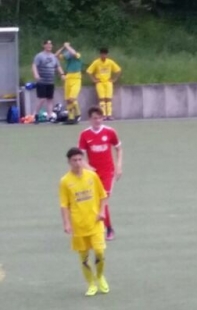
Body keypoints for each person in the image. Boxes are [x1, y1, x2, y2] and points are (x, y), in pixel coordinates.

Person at [60, 147, 109, 296]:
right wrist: (67, 223)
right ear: (69, 162)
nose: (78, 163)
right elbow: (64, 205)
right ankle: (91, 283)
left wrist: (101, 212)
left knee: (99, 252)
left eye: (80, 159)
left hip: (95, 222)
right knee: (84, 258)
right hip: (79, 225)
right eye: (74, 160)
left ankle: (100, 276)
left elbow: (103, 195)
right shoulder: (65, 181)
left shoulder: (92, 176)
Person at [78, 107, 123, 239]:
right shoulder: (85, 135)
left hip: (108, 172)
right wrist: (89, 168)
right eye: (94, 118)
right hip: (93, 174)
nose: (97, 120)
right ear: (89, 119)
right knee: (96, 201)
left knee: (103, 199)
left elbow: (119, 149)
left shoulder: (110, 132)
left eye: (99, 118)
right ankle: (99, 227)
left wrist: (119, 166)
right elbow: (80, 157)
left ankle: (109, 229)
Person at [32, 39, 64, 120]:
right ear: (44, 46)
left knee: (50, 99)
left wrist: (62, 74)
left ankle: (49, 116)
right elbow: (34, 65)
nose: (49, 46)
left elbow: (58, 66)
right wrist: (36, 74)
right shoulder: (39, 56)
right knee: (42, 99)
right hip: (42, 81)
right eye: (47, 44)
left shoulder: (54, 57)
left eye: (50, 44)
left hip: (50, 81)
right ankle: (34, 114)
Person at [86, 48, 122, 120]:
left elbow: (118, 70)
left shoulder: (110, 62)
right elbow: (88, 71)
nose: (103, 56)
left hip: (108, 82)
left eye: (105, 54)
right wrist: (94, 80)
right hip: (100, 82)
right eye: (102, 54)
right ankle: (103, 115)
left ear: (107, 55)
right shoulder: (96, 62)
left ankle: (109, 115)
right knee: (102, 99)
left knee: (108, 99)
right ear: (100, 54)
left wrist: (114, 79)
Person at [56, 42, 84, 123]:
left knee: (72, 98)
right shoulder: (67, 55)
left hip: (76, 78)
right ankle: (71, 117)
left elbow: (74, 53)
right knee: (68, 100)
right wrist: (63, 47)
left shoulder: (78, 55)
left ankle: (78, 113)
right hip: (68, 77)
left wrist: (67, 46)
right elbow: (56, 56)